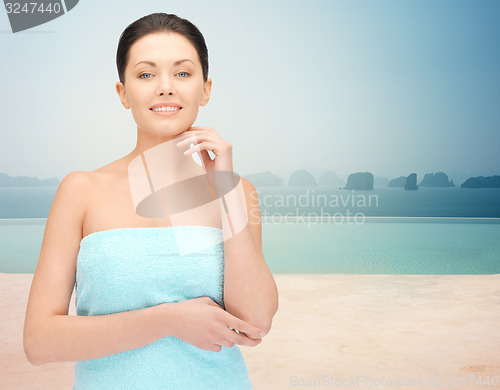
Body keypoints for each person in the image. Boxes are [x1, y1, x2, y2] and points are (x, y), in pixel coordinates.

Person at [23, 12, 279, 389]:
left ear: (205, 89)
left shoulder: (238, 193)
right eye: (146, 74)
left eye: (182, 73)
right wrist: (168, 320)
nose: (165, 87)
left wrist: (224, 188)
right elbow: (38, 341)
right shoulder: (81, 191)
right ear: (123, 92)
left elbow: (256, 320)